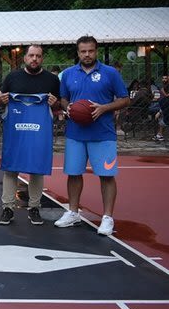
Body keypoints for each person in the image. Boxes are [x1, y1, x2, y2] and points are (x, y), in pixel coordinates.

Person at [55, 36, 129, 236]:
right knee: (73, 173)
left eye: (90, 51)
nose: (87, 54)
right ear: (78, 53)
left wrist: (104, 108)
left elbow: (125, 99)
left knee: (106, 176)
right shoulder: (68, 74)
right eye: (83, 51)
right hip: (75, 133)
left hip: (103, 133)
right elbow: (63, 99)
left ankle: (107, 217)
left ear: (96, 51)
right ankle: (73, 212)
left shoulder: (110, 73)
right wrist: (68, 107)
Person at [0, 45, 60, 226]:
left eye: (38, 56)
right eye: (31, 55)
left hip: (39, 132)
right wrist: (1, 100)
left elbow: (58, 106)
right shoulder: (12, 78)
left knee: (37, 168)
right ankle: (7, 207)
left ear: (42, 58)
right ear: (25, 58)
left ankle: (34, 207)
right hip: (16, 131)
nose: (34, 59)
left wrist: (55, 103)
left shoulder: (52, 80)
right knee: (11, 168)